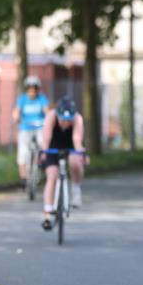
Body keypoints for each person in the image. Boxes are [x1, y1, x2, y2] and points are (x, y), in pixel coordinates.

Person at [38, 96, 89, 230]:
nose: (66, 123)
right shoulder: (51, 117)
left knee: (75, 162)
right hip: (53, 144)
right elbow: (46, 139)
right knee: (52, 175)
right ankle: (48, 212)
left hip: (70, 143)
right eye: (63, 119)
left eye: (68, 120)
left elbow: (77, 140)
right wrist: (43, 153)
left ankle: (76, 187)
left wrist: (81, 154)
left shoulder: (77, 119)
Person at [12, 76, 50, 186]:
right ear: (27, 89)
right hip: (25, 128)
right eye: (30, 89)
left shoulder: (42, 99)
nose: (32, 91)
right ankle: (23, 178)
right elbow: (16, 111)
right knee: (23, 152)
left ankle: (43, 165)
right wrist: (16, 117)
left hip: (39, 128)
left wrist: (48, 119)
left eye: (35, 89)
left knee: (43, 144)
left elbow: (47, 111)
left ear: (38, 89)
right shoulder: (22, 99)